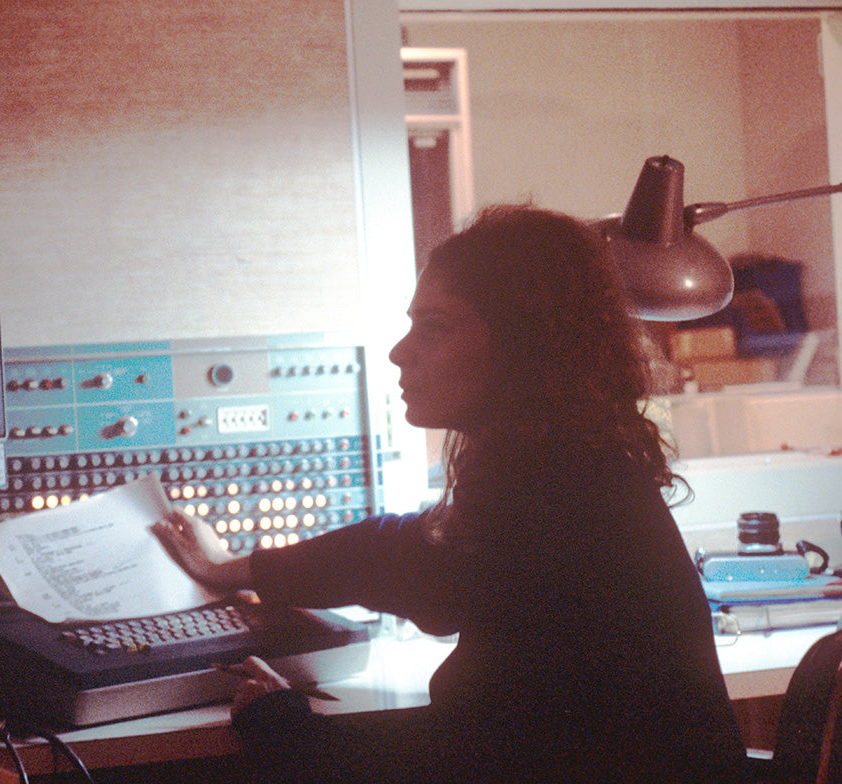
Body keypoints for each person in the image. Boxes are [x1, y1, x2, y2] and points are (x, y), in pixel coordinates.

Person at [154, 204, 749, 783]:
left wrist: (281, 727)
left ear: (524, 344)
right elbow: (412, 557)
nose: (399, 351)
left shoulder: (558, 506)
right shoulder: (570, 475)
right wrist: (237, 568)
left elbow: (465, 756)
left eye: (433, 327)